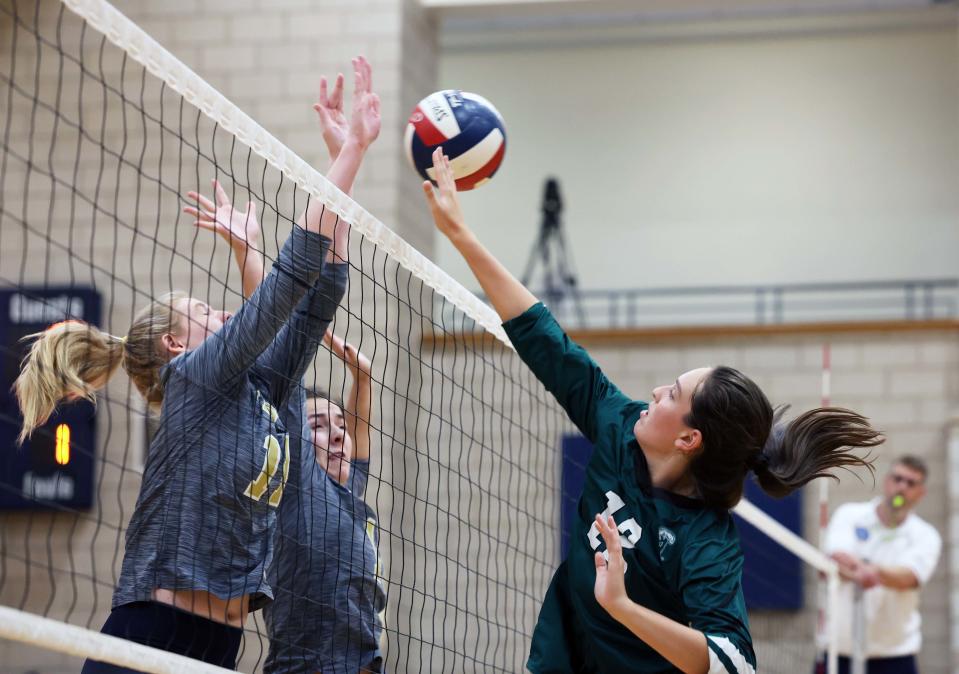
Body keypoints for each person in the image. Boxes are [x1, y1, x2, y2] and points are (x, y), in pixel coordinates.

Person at [421, 147, 884, 674]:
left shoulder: (706, 540)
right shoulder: (621, 425)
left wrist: (623, 607)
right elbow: (546, 341)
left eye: (673, 395)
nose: (657, 391)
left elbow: (734, 663)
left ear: (689, 440)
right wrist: (460, 235)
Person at [13, 57, 380, 672]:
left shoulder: (264, 385)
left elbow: (321, 294)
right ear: (177, 347)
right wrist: (347, 159)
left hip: (221, 646)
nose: (222, 313)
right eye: (205, 310)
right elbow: (288, 281)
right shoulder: (197, 378)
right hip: (154, 631)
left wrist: (347, 159)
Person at [819, 456, 941, 674]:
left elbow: (910, 577)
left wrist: (872, 570)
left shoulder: (926, 535)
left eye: (911, 483)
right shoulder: (850, 514)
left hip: (894, 655)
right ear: (887, 482)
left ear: (920, 493)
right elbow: (836, 559)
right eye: (898, 479)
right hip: (840, 651)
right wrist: (862, 570)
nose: (902, 487)